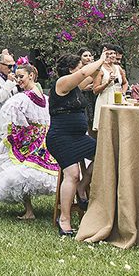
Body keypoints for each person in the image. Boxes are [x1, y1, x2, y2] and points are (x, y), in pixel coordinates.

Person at [0, 61, 59, 220]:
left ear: (31, 76)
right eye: (17, 77)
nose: (18, 80)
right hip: (43, 139)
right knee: (42, 171)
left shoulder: (22, 97)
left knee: (20, 171)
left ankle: (29, 211)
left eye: (21, 77)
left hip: (32, 141)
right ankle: (57, 207)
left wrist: (19, 131)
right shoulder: (44, 97)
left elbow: (10, 116)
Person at [49, 51, 104, 236]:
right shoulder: (62, 83)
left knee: (105, 155)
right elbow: (82, 75)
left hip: (80, 137)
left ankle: (82, 187)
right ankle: (64, 219)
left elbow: (93, 78)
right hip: (61, 137)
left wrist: (101, 68)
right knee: (72, 173)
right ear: (70, 69)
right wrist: (100, 59)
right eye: (79, 66)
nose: (82, 69)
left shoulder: (76, 87)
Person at [90, 46, 126, 132]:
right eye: (109, 54)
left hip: (118, 98)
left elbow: (125, 82)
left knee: (119, 127)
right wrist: (107, 83)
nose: (112, 55)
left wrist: (123, 93)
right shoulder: (100, 70)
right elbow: (95, 90)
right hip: (105, 98)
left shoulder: (118, 68)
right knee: (105, 128)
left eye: (114, 53)